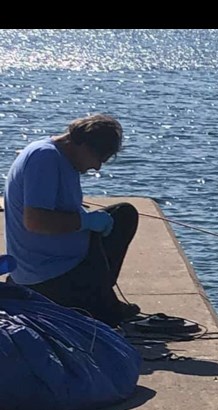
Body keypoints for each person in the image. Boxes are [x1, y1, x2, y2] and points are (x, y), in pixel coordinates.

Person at [3, 113, 140, 327]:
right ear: (83, 146)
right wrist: (86, 222)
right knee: (108, 321)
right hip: (46, 275)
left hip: (60, 260)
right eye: (99, 159)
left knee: (123, 214)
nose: (97, 167)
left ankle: (100, 296)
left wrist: (85, 219)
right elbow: (35, 221)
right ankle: (94, 303)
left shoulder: (63, 158)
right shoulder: (44, 158)